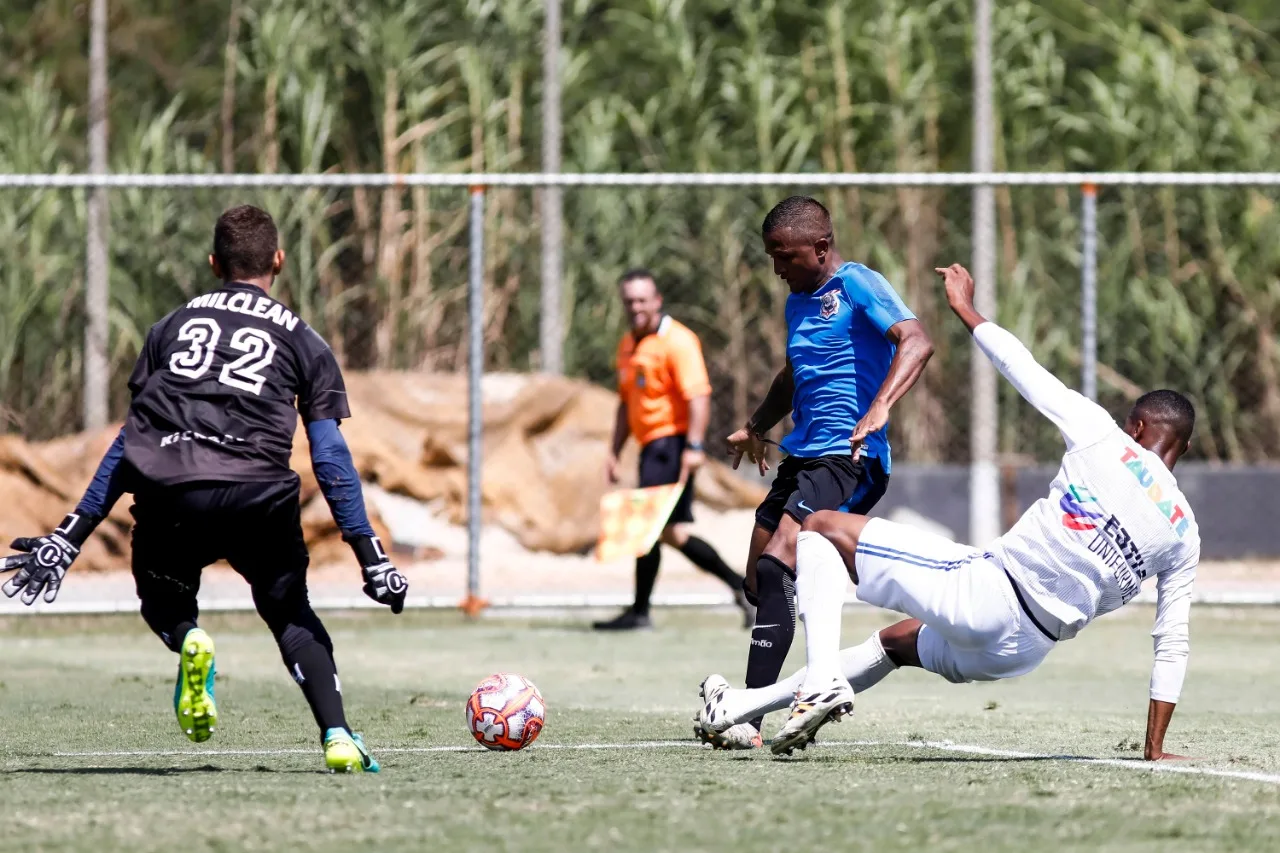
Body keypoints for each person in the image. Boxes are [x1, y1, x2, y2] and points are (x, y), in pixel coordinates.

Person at [696, 263, 1200, 759]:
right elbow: (1172, 640)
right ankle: (738, 707)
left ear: (1136, 426)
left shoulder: (1106, 437)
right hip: (1023, 652)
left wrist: (966, 308)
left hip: (992, 595)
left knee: (821, 528)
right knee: (894, 644)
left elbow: (1022, 368)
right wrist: (1154, 747)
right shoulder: (1183, 531)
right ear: (1184, 447)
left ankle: (822, 678)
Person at [0, 205, 408, 773]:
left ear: (214, 262)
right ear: (279, 262)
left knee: (163, 600)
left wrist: (70, 535)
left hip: (173, 490)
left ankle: (190, 637)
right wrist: (371, 555)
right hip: (257, 494)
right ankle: (337, 733)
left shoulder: (169, 328)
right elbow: (331, 456)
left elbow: (130, 442)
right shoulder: (303, 340)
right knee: (290, 613)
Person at [708, 197, 933, 749]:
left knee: (782, 552)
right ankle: (796, 697)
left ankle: (750, 718)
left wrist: (880, 406)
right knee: (761, 581)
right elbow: (793, 372)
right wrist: (756, 424)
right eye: (771, 257)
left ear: (821, 248)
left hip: (849, 458)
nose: (777, 269)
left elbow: (917, 340)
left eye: (784, 257)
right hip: (804, 455)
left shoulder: (858, 284)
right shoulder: (797, 303)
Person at [594, 269, 753, 631]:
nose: (635, 307)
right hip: (650, 446)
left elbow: (698, 396)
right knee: (669, 532)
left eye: (642, 300)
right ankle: (741, 588)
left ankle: (640, 612)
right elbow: (625, 403)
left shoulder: (677, 340)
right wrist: (614, 451)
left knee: (649, 527)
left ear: (657, 301)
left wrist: (693, 446)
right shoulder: (628, 344)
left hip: (671, 444)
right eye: (629, 301)